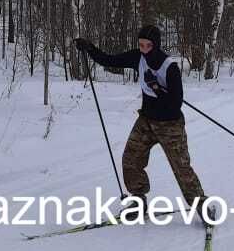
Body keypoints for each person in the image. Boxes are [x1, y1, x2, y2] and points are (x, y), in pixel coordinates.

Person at [74, 24, 212, 220]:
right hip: (146, 121)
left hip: (170, 125)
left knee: (181, 166)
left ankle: (202, 204)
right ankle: (138, 200)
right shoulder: (138, 57)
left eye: (148, 46)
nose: (144, 50)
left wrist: (155, 88)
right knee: (130, 159)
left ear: (156, 45)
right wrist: (90, 49)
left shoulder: (169, 67)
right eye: (141, 45)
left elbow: (175, 104)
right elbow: (110, 60)